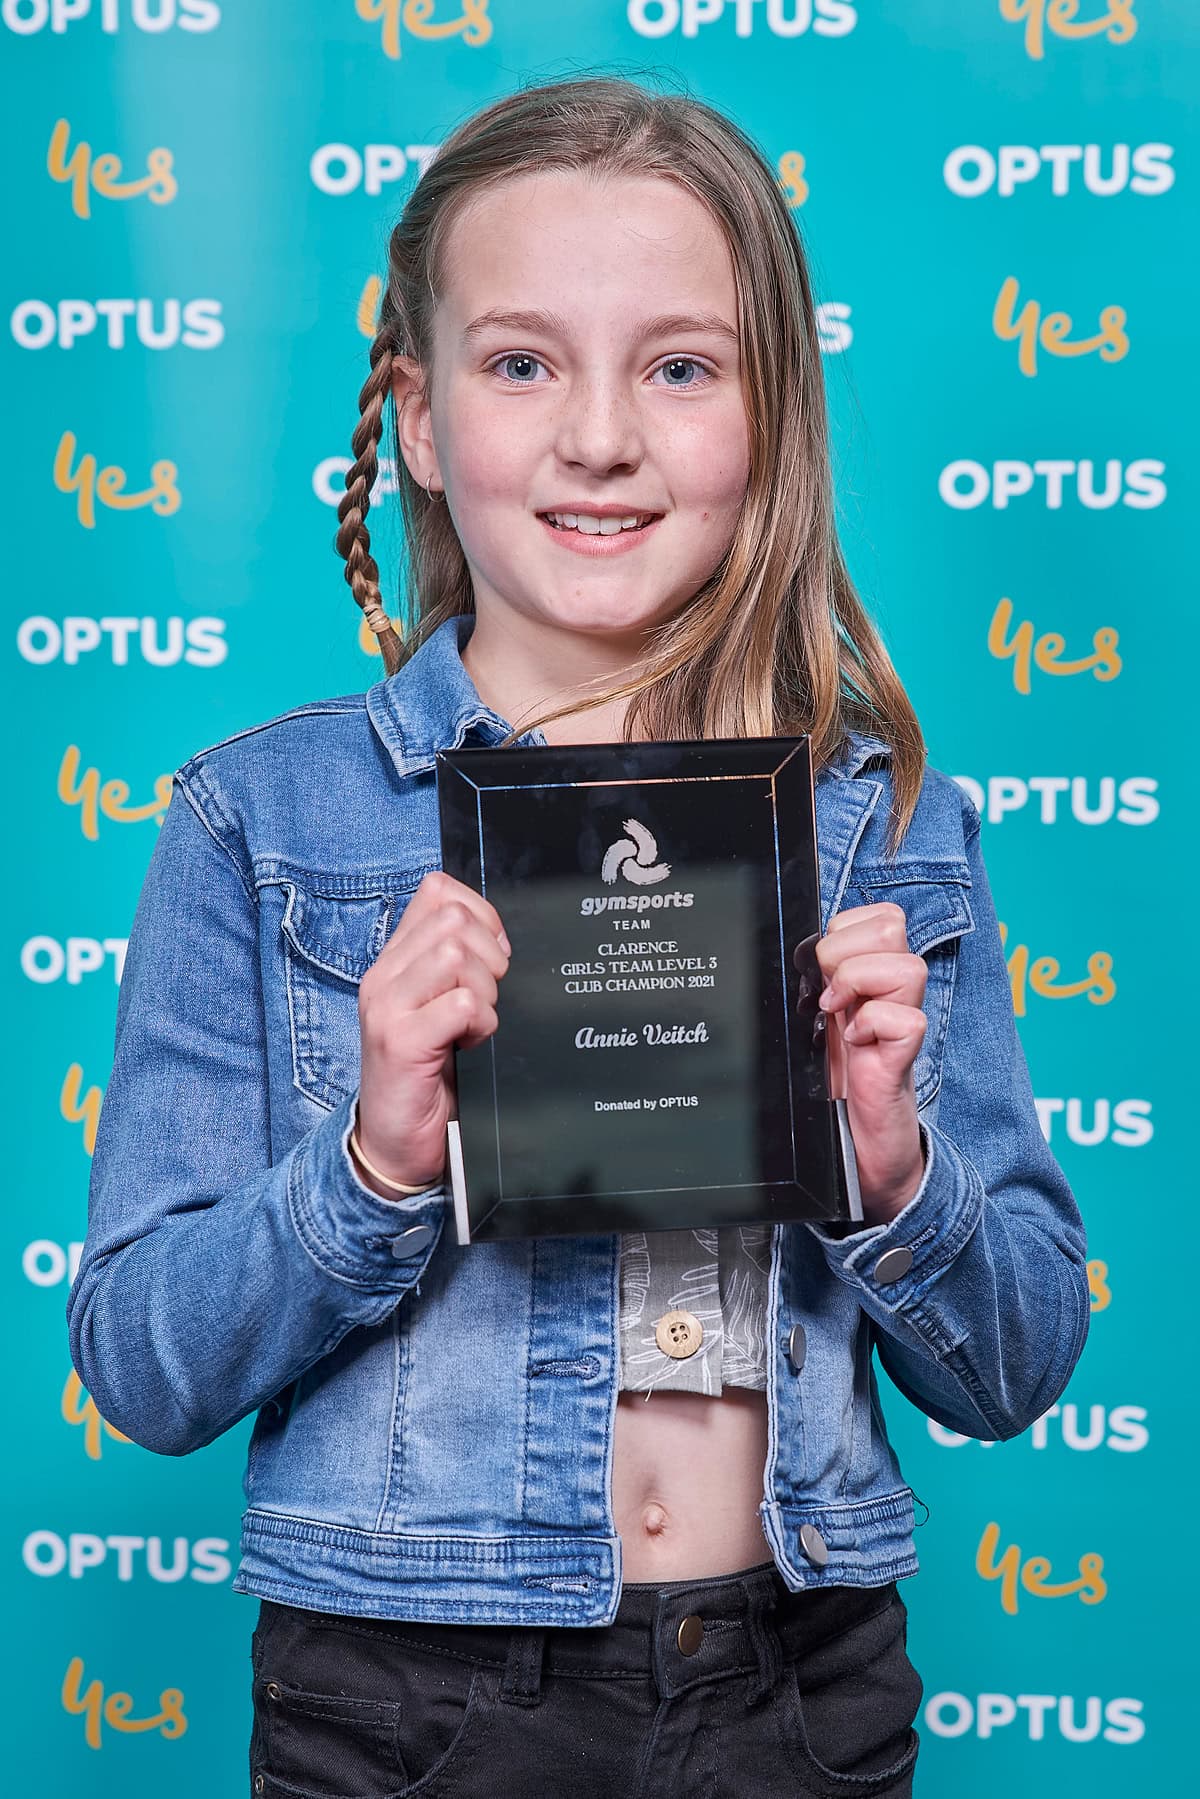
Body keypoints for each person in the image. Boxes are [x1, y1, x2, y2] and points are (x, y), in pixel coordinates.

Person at [67, 73, 1089, 1798]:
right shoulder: (258, 820)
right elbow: (142, 1365)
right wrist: (374, 1164)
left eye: (680, 368)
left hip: (803, 1686)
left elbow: (1021, 1362)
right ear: (415, 418)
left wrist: (893, 1168)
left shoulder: (888, 823)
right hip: (409, 1698)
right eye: (522, 363)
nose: (599, 436)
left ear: (771, 415)